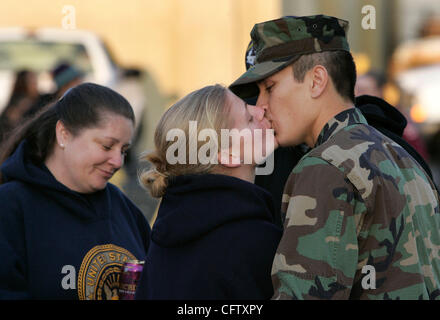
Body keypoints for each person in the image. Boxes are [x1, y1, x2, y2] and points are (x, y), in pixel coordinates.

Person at [230, 15, 440, 299]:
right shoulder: (401, 155)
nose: (261, 106)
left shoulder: (326, 166)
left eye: (270, 88)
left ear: (317, 81)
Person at [0, 82, 150, 299]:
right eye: (107, 146)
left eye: (124, 150)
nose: (117, 161)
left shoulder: (122, 207)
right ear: (64, 134)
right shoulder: (11, 208)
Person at [134, 84, 282, 300]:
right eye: (249, 118)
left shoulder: (166, 231)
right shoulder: (255, 242)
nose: (260, 110)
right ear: (228, 156)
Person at [0, 70, 39, 143]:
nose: (36, 85)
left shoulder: (34, 100)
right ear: (24, 84)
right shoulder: (21, 104)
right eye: (33, 82)